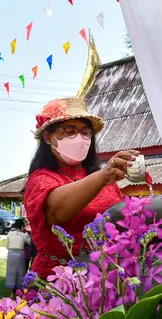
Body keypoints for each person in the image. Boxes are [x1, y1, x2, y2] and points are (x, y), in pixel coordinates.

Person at [23, 97, 135, 279]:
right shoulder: (41, 179)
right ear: (47, 137)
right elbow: (56, 212)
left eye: (85, 132)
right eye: (70, 131)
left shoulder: (107, 181)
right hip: (59, 280)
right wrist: (103, 175)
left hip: (105, 278)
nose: (80, 138)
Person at [5, 219, 31, 297]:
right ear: (22, 226)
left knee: (11, 272)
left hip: (11, 253)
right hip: (20, 254)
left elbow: (6, 245)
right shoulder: (24, 235)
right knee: (20, 272)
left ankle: (11, 293)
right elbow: (30, 243)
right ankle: (19, 291)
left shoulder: (10, 233)